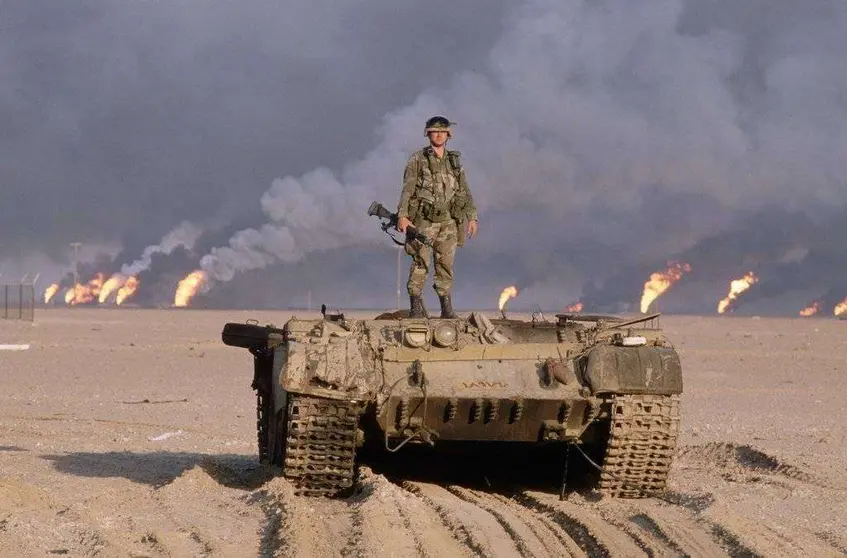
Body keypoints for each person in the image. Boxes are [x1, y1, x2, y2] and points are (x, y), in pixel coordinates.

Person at [396, 115, 479, 318]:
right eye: (435, 131)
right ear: (428, 134)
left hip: (449, 222)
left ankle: (446, 308)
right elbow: (407, 189)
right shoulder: (418, 159)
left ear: (448, 134)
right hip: (424, 220)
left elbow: (465, 190)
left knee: (445, 265)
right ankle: (415, 307)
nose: (439, 135)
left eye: (443, 131)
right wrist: (403, 216)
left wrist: (472, 217)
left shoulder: (454, 162)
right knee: (420, 262)